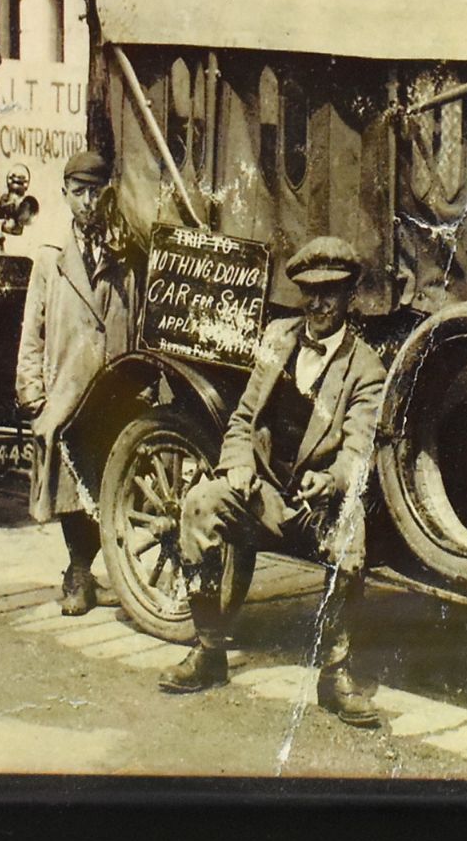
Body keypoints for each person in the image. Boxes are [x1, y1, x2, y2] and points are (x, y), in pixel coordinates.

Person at [157, 236, 387, 728]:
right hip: (258, 493)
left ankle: (335, 674)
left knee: (350, 529)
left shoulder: (365, 367)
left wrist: (331, 481)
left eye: (331, 292)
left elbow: (359, 451)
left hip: (315, 504)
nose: (318, 304)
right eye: (309, 291)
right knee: (200, 503)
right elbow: (242, 419)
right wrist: (237, 464)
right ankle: (209, 650)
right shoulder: (278, 338)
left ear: (350, 297)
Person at [16, 149, 134, 615]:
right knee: (70, 483)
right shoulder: (50, 258)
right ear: (65, 195)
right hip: (68, 386)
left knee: (108, 480)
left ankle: (95, 570)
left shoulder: (125, 252)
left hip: (115, 387)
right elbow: (33, 328)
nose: (88, 202)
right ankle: (79, 572)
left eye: (96, 192)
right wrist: (31, 389)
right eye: (79, 192)